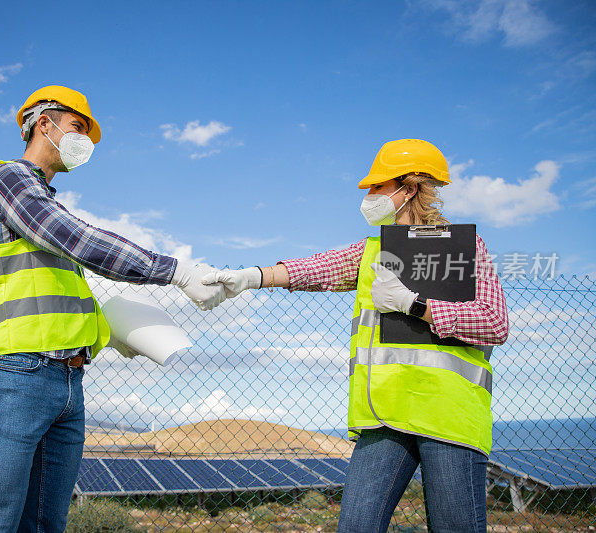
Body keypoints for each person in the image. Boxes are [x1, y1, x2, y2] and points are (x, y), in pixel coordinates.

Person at [0, 85, 226, 532]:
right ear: (45, 124)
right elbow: (78, 239)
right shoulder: (7, 181)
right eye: (78, 127)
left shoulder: (40, 201)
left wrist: (107, 329)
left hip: (66, 379)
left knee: (44, 524)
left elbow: (48, 291)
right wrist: (176, 272)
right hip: (14, 374)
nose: (84, 142)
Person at [203, 139, 509, 532]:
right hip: (385, 414)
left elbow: (494, 322)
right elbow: (316, 268)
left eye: (378, 186)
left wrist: (415, 304)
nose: (368, 195)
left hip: (447, 417)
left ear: (409, 188)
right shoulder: (371, 250)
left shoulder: (464, 249)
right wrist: (252, 277)